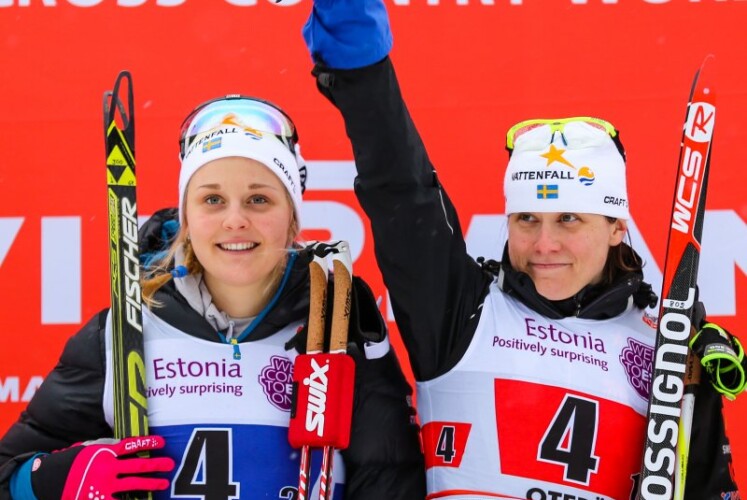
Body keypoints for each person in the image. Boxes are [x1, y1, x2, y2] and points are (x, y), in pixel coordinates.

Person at [300, 1, 745, 499]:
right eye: (526, 219)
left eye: (569, 219)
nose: (544, 244)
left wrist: (693, 381)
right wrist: (358, 56)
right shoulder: (463, 312)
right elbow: (401, 190)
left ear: (617, 227)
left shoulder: (665, 342)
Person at [0, 95, 426, 499]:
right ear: (187, 216)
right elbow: (6, 474)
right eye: (213, 199)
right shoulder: (124, 331)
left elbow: (391, 480)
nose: (235, 220)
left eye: (258, 199)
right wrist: (49, 480)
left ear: (292, 217)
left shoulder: (337, 325)